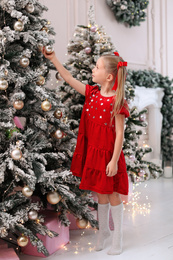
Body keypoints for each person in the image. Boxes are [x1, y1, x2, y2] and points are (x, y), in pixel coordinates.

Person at [42, 48, 130, 255]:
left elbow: (119, 134)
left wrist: (114, 160)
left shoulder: (117, 102)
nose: (93, 69)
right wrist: (54, 58)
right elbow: (68, 78)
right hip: (94, 153)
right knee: (100, 194)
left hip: (109, 156)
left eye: (97, 67)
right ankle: (104, 232)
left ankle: (118, 236)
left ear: (108, 76)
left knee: (113, 195)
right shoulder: (91, 93)